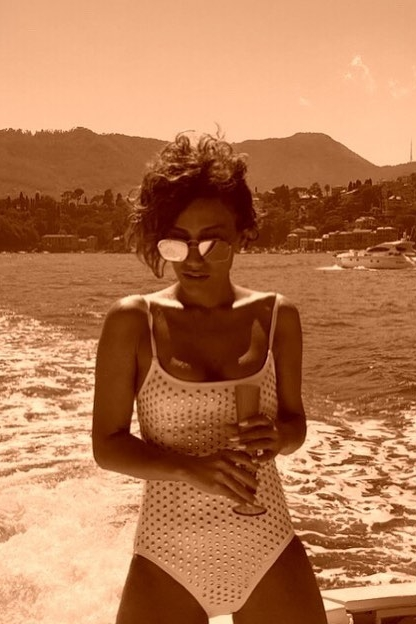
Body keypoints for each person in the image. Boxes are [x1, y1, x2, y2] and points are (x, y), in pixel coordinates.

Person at [92, 132, 327, 624]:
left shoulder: (278, 317)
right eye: (178, 241)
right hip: (167, 555)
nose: (194, 257)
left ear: (242, 234)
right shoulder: (132, 322)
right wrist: (190, 468)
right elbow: (108, 446)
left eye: (213, 240)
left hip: (267, 544)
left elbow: (296, 424)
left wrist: (280, 437)